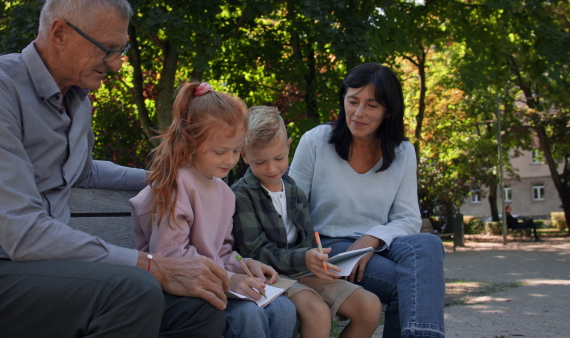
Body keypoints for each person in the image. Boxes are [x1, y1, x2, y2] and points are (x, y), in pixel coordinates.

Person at [0, 1, 228, 337]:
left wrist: (171, 176)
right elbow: (24, 234)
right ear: (59, 32)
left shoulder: (77, 101)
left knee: (198, 306)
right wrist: (152, 266)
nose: (118, 65)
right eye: (107, 49)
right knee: (133, 290)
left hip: (54, 272)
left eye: (121, 50)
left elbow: (81, 171)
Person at [289, 62, 446, 338]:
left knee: (428, 243)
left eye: (372, 105)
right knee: (409, 284)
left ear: (388, 111)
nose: (358, 113)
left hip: (381, 244)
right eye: (353, 101)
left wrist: (372, 239)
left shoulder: (403, 152)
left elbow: (408, 218)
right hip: (329, 247)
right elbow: (291, 211)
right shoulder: (315, 141)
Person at [130, 82, 297, 338]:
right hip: (180, 295)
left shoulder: (224, 193)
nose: (231, 160)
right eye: (221, 151)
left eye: (236, 150)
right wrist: (229, 280)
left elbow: (220, 252)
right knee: (248, 315)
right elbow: (170, 258)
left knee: (284, 309)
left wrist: (246, 265)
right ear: (193, 142)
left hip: (214, 285)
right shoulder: (178, 185)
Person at [231, 105, 383, 337]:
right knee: (316, 311)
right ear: (244, 154)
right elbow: (257, 251)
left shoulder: (294, 191)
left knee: (370, 307)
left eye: (279, 158)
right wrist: (304, 258)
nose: (271, 169)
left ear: (289, 146)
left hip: (301, 271)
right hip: (270, 276)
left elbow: (308, 242)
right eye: (260, 162)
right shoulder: (241, 195)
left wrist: (319, 261)